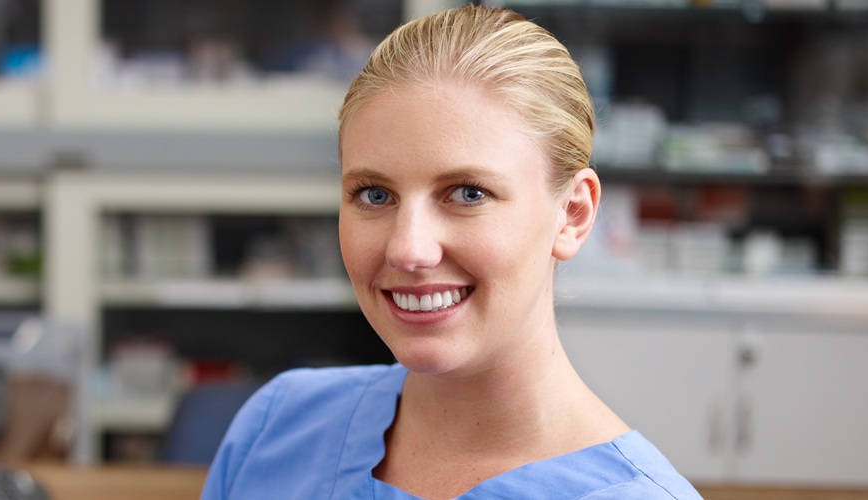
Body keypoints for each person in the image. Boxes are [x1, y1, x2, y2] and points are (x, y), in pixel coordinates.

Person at [202, 6, 702, 499]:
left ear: (573, 214)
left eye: (467, 194)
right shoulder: (278, 429)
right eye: (375, 195)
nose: (408, 249)